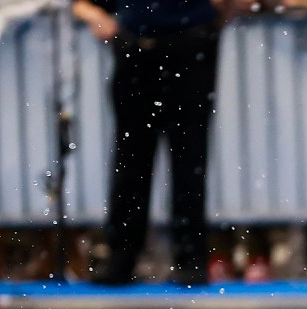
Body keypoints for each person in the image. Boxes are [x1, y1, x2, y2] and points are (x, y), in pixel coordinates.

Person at [74, 0, 224, 286]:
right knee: (131, 158)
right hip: (136, 45)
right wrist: (98, 16)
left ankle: (190, 259)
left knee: (189, 156)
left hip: (191, 42)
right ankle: (122, 257)